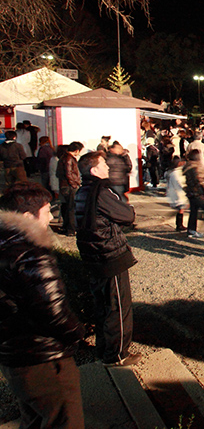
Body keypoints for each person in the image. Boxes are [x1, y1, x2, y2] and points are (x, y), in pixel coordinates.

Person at [0, 182, 85, 429]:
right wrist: (76, 333)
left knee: (35, 419)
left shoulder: (5, 243)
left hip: (15, 356)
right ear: (28, 217)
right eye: (47, 210)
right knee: (64, 421)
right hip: (44, 357)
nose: (51, 216)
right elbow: (53, 312)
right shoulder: (31, 253)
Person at [74, 152, 140, 366]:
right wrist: (128, 209)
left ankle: (104, 348)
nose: (108, 168)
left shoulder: (82, 191)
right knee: (118, 306)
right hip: (109, 254)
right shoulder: (101, 191)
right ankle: (117, 354)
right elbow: (127, 216)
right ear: (94, 170)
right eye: (103, 164)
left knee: (102, 305)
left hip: (93, 254)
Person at [56, 142, 83, 236]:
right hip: (69, 186)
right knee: (71, 208)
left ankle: (66, 226)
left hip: (63, 185)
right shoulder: (69, 159)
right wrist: (74, 184)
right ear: (77, 150)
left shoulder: (62, 157)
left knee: (65, 207)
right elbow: (69, 173)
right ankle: (71, 229)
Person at [183, 149, 204, 238]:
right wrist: (203, 192)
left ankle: (192, 230)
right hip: (196, 192)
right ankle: (194, 229)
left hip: (191, 192)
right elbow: (198, 181)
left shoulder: (188, 166)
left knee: (194, 211)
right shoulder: (194, 167)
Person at [165, 157, 188, 232]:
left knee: (181, 208)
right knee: (181, 208)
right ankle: (179, 225)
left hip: (176, 193)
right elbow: (179, 183)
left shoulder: (172, 172)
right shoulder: (176, 173)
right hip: (178, 193)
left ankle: (179, 224)